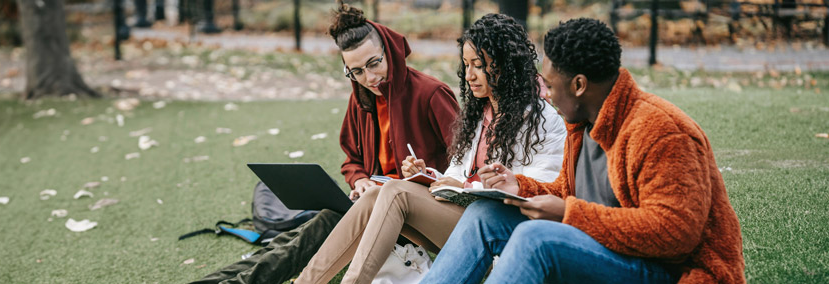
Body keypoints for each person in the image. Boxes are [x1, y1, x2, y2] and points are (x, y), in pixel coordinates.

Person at [420, 18, 745, 284]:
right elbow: (568, 191)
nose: (544, 92)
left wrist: (568, 215)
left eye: (550, 83)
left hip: (667, 270)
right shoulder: (583, 123)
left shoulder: (661, 132)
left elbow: (676, 233)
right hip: (607, 249)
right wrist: (519, 186)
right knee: (485, 215)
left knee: (537, 240)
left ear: (578, 85)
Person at [191, 4, 460, 284]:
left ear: (388, 51)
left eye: (374, 63)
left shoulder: (431, 94)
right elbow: (352, 161)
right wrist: (360, 182)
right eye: (356, 71)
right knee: (294, 237)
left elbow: (464, 167)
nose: (369, 78)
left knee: (322, 225)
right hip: (370, 205)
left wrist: (423, 175)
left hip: (417, 217)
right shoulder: (361, 100)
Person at [296, 13, 567, 284]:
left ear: (505, 65)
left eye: (479, 65)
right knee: (374, 195)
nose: (469, 75)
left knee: (393, 192)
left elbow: (544, 187)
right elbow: (459, 171)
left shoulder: (544, 120)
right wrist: (430, 176)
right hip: (462, 215)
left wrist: (469, 188)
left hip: (498, 226)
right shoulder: (479, 112)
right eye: (466, 64)